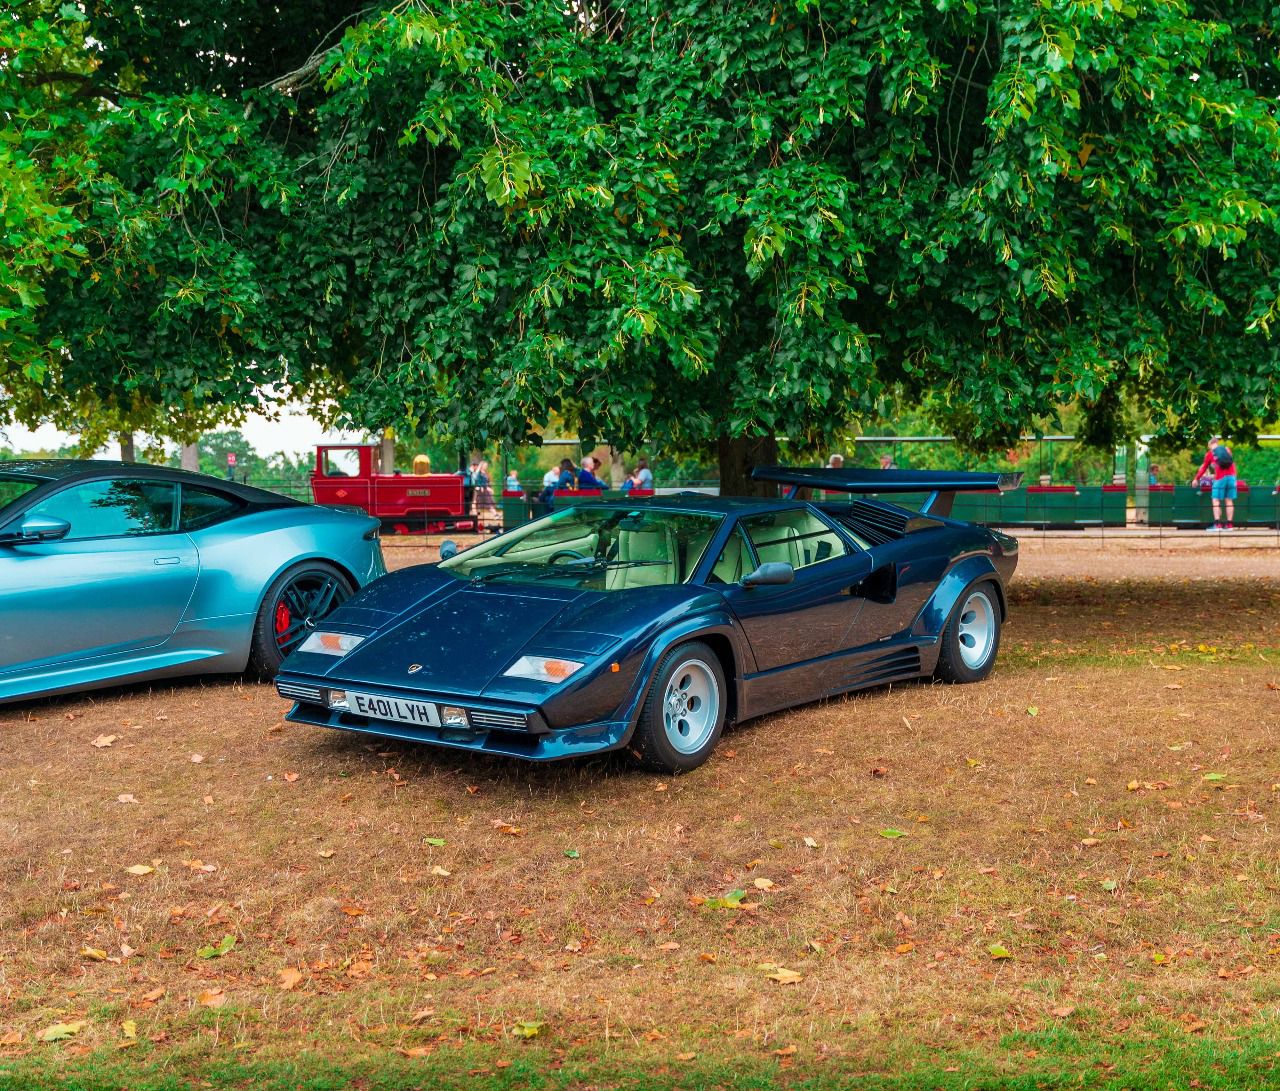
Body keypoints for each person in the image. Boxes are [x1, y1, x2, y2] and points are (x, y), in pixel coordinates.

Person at [1192, 436, 1237, 531]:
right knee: (1229, 500)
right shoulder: (1227, 449)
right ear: (1217, 442)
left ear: (1210, 445)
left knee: (1215, 500)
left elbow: (1204, 467)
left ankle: (1217, 525)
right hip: (1232, 477)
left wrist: (1196, 478)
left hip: (1220, 478)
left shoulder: (1210, 454)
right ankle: (1229, 525)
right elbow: (1232, 464)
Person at [472, 459, 495, 526]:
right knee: (476, 502)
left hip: (485, 490)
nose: (486, 467)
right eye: (485, 465)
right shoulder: (479, 473)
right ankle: (476, 516)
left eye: (486, 465)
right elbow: (478, 481)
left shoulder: (485, 473)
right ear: (482, 466)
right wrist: (481, 487)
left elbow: (487, 481)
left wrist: (489, 487)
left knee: (487, 502)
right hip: (480, 490)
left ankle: (494, 514)